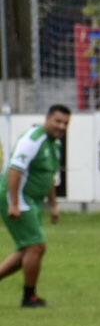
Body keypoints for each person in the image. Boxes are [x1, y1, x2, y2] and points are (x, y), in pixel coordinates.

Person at [3, 104, 69, 308]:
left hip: (31, 201)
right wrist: (14, 203)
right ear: (47, 119)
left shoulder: (55, 145)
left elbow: (49, 177)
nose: (61, 126)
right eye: (57, 121)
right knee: (36, 245)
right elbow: (15, 169)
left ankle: (29, 296)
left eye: (65, 123)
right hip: (18, 197)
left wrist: (54, 205)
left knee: (29, 249)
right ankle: (29, 297)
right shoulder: (32, 139)